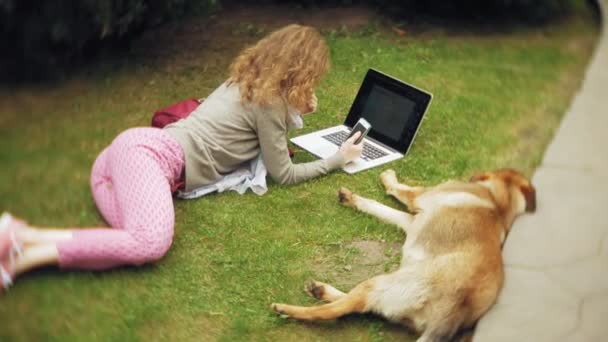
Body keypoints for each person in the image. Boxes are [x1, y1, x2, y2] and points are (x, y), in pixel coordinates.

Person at [0, 24, 363, 291]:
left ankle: (23, 248)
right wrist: (337, 158)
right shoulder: (269, 103)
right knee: (151, 242)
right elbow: (283, 173)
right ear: (301, 71)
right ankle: (26, 241)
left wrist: (298, 108)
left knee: (132, 238)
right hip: (152, 157)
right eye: (312, 78)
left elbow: (266, 128)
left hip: (115, 161)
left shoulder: (245, 81)